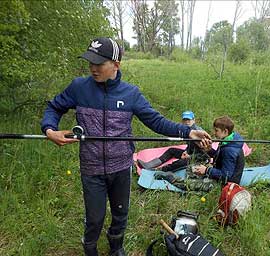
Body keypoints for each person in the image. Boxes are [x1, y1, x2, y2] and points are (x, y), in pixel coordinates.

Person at [40, 37, 210, 256]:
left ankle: (116, 247)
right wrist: (49, 130)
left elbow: (156, 121)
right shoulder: (79, 87)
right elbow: (53, 108)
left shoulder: (131, 94)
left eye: (98, 63)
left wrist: (189, 132)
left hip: (121, 167)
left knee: (121, 214)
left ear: (116, 65)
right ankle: (90, 248)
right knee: (95, 217)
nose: (92, 68)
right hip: (91, 168)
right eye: (90, 62)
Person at [137, 110, 210, 172]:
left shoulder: (198, 133)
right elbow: (190, 146)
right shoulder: (187, 131)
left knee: (179, 163)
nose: (187, 122)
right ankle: (150, 164)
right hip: (190, 153)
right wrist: (186, 151)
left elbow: (206, 153)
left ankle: (159, 170)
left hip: (200, 158)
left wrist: (190, 156)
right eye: (185, 120)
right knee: (171, 150)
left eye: (189, 120)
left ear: (194, 120)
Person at [193, 115, 245, 185]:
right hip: (221, 173)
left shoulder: (229, 150)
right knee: (194, 167)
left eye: (216, 130)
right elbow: (220, 158)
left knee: (192, 183)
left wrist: (206, 170)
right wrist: (209, 150)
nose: (214, 133)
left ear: (225, 131)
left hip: (227, 184)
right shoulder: (228, 140)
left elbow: (226, 176)